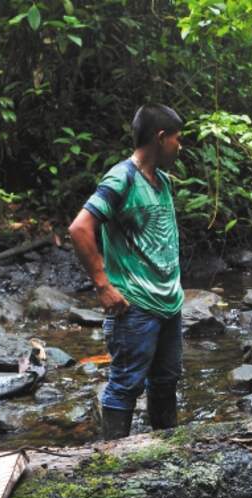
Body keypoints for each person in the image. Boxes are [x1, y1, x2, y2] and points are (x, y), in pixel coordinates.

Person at [68, 103, 185, 439]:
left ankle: (166, 452)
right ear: (161, 138)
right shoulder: (122, 178)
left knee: (165, 381)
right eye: (177, 139)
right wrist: (102, 285)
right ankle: (114, 467)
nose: (180, 146)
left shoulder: (161, 180)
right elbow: (80, 228)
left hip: (169, 304)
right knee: (125, 385)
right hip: (134, 306)